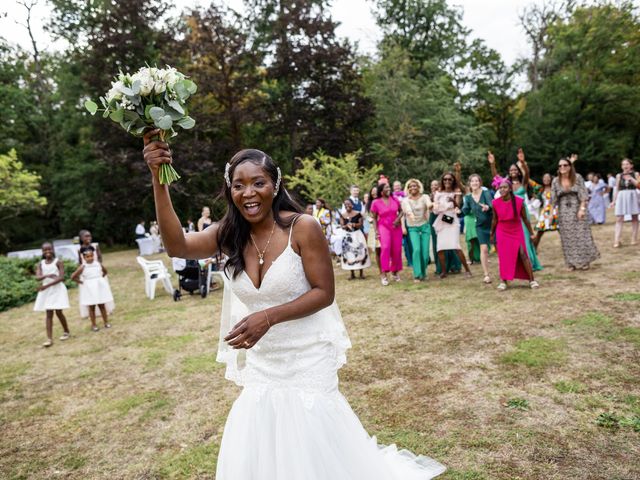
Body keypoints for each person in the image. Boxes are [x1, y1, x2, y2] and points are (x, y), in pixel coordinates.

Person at [142, 132, 446, 479]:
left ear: (275, 185)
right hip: (263, 365)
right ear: (229, 191)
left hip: (306, 360)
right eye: (238, 185)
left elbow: (323, 292)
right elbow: (177, 246)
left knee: (312, 441)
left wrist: (268, 317)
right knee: (263, 441)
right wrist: (158, 178)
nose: (249, 193)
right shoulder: (228, 232)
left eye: (258, 182)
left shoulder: (303, 227)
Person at [488, 149, 542, 271]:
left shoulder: (523, 183)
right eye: (511, 170)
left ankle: (529, 262)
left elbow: (527, 173)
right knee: (514, 238)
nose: (513, 171)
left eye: (515, 170)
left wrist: (522, 163)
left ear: (518, 172)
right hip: (511, 213)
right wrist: (492, 164)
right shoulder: (507, 185)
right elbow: (496, 177)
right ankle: (518, 262)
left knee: (525, 236)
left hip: (523, 212)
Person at [551, 158, 600, 270]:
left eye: (565, 165)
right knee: (567, 237)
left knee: (582, 235)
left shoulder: (577, 177)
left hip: (578, 207)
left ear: (570, 166)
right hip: (564, 211)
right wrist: (551, 213)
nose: (562, 167)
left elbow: (583, 194)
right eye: (560, 166)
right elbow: (553, 199)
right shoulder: (555, 181)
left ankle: (584, 261)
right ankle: (570, 263)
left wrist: (582, 209)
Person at [490, 179, 539, 290]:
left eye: (505, 187)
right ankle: (503, 281)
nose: (502, 189)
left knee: (522, 254)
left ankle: (532, 280)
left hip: (516, 230)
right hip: (502, 231)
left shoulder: (519, 201)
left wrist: (531, 233)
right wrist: (491, 234)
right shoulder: (495, 203)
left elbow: (525, 219)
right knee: (504, 256)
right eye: (500, 187)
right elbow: (494, 220)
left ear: (510, 189)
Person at [432, 172, 472, 279]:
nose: (447, 181)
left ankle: (467, 270)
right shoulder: (438, 193)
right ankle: (444, 271)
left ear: (453, 180)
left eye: (449, 179)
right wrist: (437, 207)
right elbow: (435, 208)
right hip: (441, 220)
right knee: (440, 248)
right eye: (445, 179)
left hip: (452, 221)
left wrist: (453, 201)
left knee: (456, 246)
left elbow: (457, 207)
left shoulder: (456, 192)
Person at [34, 242, 71, 347]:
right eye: (45, 250)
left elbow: (61, 278)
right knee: (49, 313)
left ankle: (66, 331)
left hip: (57, 289)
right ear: (42, 252)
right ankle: (49, 339)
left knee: (59, 312)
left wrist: (46, 284)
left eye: (49, 249)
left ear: (53, 249)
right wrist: (48, 275)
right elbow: (37, 277)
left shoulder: (58, 262)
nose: (47, 252)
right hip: (47, 290)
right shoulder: (40, 264)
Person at [71, 245, 115, 330]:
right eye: (87, 257)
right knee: (92, 307)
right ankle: (94, 325)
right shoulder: (83, 266)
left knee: (102, 305)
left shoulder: (97, 264)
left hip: (99, 287)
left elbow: (105, 271)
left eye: (92, 256)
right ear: (83, 257)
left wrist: (100, 279)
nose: (90, 258)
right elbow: (73, 277)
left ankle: (106, 322)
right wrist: (81, 282)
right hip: (89, 288)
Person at [370, 182, 404, 286]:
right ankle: (383, 274)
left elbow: (401, 211)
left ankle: (395, 272)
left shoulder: (395, 199)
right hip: (383, 226)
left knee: (397, 250)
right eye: (386, 188)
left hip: (396, 227)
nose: (389, 189)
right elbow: (374, 218)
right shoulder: (375, 202)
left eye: (389, 187)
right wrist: (376, 231)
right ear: (381, 191)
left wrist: (398, 219)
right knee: (385, 248)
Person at [462, 174, 493, 283]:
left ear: (480, 183)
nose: (474, 183)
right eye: (472, 181)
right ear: (469, 184)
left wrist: (487, 207)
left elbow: (492, 204)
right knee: (484, 249)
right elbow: (465, 211)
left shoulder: (486, 193)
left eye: (477, 181)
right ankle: (486, 274)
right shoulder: (468, 198)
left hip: (492, 224)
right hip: (480, 226)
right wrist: (457, 211)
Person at [401, 179, 432, 282]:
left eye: (415, 186)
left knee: (425, 252)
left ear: (419, 187)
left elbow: (428, 204)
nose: (413, 188)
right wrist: (411, 215)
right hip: (413, 227)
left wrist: (431, 206)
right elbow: (408, 210)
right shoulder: (405, 200)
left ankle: (423, 272)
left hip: (425, 226)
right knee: (417, 250)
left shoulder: (425, 197)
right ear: (408, 188)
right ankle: (417, 275)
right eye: (410, 186)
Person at [428, 179, 461, 275]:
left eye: (436, 185)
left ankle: (454, 265)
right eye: (432, 185)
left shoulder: (444, 194)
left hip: (445, 218)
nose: (434, 187)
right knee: (437, 243)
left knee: (449, 242)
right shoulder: (430, 196)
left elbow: (452, 209)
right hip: (433, 219)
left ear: (440, 186)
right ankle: (440, 267)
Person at [339, 199, 370, 280]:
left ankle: (361, 273)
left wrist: (354, 224)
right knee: (349, 253)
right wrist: (346, 226)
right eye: (345, 204)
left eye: (349, 204)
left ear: (352, 205)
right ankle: (352, 273)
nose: (347, 206)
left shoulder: (358, 214)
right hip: (347, 235)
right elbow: (342, 225)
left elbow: (361, 224)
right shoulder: (343, 215)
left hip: (357, 234)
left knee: (360, 251)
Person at [612, 158, 639, 247]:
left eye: (627, 164)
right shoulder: (618, 175)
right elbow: (617, 188)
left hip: (632, 194)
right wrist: (614, 201)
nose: (625, 166)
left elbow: (638, 185)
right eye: (623, 164)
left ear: (631, 165)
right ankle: (616, 240)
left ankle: (634, 239)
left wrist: (631, 178)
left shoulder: (636, 174)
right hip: (622, 195)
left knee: (634, 217)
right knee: (619, 218)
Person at [533, 173, 558, 248]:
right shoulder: (541, 189)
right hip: (545, 212)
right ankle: (534, 249)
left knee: (562, 230)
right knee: (540, 231)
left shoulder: (555, 188)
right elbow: (531, 183)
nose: (546, 179)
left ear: (551, 179)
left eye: (548, 177)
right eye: (544, 177)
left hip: (555, 210)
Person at [365, 186, 382, 274]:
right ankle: (381, 270)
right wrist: (374, 220)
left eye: (376, 191)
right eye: (373, 192)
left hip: (384, 227)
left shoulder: (383, 201)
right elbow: (367, 216)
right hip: (374, 228)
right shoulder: (369, 204)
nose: (374, 193)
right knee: (378, 250)